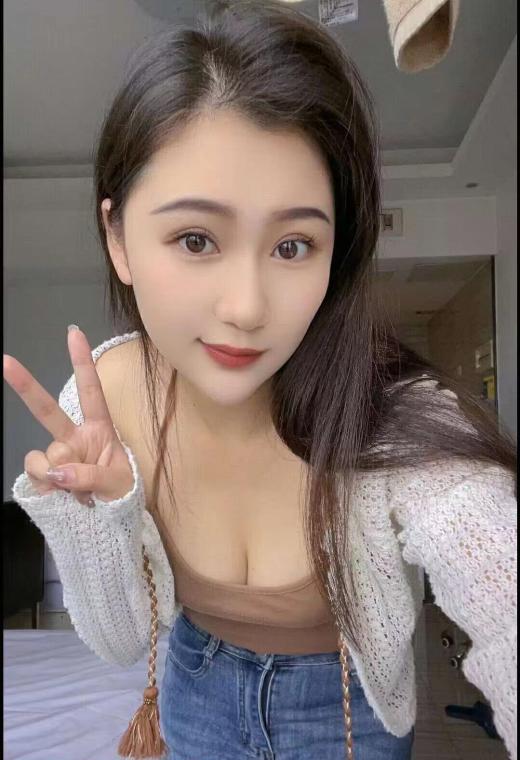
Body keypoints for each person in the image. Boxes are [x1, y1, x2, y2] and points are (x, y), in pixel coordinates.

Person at [4, 2, 517, 759]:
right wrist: (103, 513)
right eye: (196, 239)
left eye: (292, 246)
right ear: (118, 239)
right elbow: (118, 642)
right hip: (193, 694)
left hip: (348, 713)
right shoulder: (103, 403)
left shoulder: (389, 412)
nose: (247, 309)